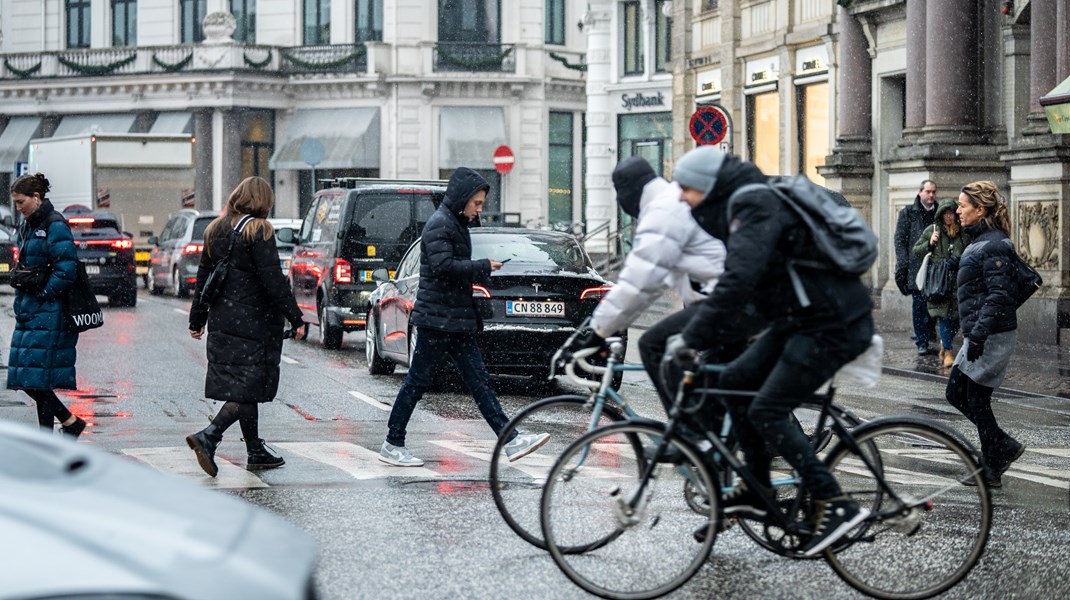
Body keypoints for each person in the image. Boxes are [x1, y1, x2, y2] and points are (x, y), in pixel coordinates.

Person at [666, 147, 874, 557]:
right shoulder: (742, 204)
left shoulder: (753, 202)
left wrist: (693, 336)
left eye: (686, 188)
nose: (680, 197)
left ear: (708, 186)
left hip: (831, 323)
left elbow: (739, 278)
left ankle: (837, 503)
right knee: (731, 384)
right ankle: (756, 490)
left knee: (766, 410)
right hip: (800, 317)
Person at [379, 167, 549, 467]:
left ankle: (510, 440)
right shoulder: (440, 225)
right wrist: (482, 265)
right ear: (462, 199)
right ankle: (393, 442)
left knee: (480, 382)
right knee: (417, 383)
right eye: (477, 203)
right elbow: (445, 267)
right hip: (437, 320)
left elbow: (453, 267)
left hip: (454, 319)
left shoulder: (454, 223)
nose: (479, 209)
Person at [568, 157, 730, 417]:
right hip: (729, 299)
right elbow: (652, 281)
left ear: (628, 191)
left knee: (654, 346)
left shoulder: (662, 211)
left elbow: (639, 283)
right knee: (726, 386)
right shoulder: (670, 199)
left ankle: (689, 435)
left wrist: (598, 332)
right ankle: (729, 443)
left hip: (725, 301)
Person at [186, 177, 309, 477]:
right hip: (253, 323)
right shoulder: (259, 230)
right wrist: (296, 317)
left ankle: (255, 451)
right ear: (262, 202)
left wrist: (197, 318)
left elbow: (204, 277)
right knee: (246, 388)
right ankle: (210, 435)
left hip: (222, 320)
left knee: (245, 387)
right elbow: (273, 281)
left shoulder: (215, 229)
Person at [945, 181, 1025, 487]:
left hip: (991, 332)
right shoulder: (980, 241)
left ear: (980, 210)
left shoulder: (994, 244)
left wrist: (977, 335)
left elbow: (998, 295)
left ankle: (992, 463)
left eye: (964, 206)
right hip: (981, 330)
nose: (958, 211)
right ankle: (1000, 448)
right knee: (957, 393)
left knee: (975, 397)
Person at [6, 173, 86, 438]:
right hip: (31, 309)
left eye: (20, 202)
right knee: (33, 378)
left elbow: (66, 270)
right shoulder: (29, 225)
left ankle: (69, 423)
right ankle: (54, 433)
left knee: (33, 379)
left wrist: (43, 295)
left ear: (36, 198)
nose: (18, 208)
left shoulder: (55, 225)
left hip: (48, 311)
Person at [912, 198, 970, 368]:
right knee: (943, 316)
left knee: (957, 318)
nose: (949, 217)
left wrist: (959, 260)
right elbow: (916, 250)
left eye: (951, 213)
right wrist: (930, 244)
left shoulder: (963, 232)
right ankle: (949, 350)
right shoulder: (933, 230)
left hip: (959, 281)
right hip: (939, 281)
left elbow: (970, 251)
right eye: (945, 214)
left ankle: (945, 346)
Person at [894, 179, 939, 355]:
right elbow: (900, 239)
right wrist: (903, 262)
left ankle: (929, 332)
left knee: (933, 303)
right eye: (928, 191)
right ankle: (922, 341)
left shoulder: (940, 212)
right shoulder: (908, 212)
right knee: (919, 304)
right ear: (920, 192)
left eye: (934, 192)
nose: (931, 195)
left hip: (935, 266)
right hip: (916, 265)